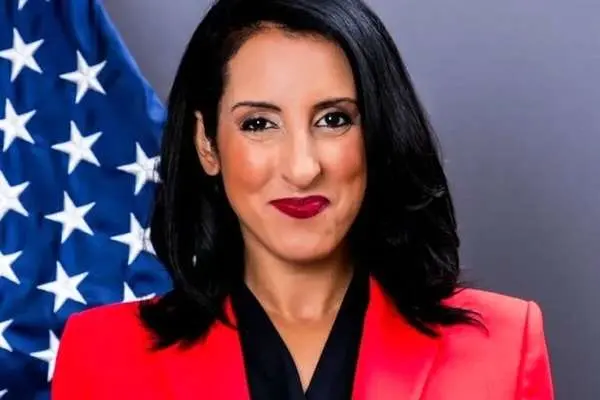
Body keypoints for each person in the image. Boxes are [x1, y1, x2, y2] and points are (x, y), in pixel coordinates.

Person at [51, 0, 554, 398]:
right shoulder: (102, 355)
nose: (302, 167)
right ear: (207, 143)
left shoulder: (504, 344)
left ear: (376, 133)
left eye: (333, 119)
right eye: (259, 124)